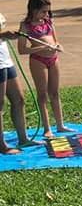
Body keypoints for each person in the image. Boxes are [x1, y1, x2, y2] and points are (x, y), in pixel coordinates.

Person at [17, 0, 74, 139]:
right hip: (38, 61)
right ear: (33, 9)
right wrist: (41, 48)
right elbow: (22, 50)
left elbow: (56, 40)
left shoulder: (48, 22)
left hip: (53, 59)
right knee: (42, 95)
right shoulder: (25, 25)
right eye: (43, 11)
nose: (46, 14)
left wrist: (58, 46)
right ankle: (47, 128)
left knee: (54, 93)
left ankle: (60, 125)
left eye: (48, 11)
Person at [0, 12, 40, 154]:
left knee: (19, 99)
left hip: (5, 60)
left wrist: (8, 34)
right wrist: (3, 35)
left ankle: (23, 138)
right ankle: (2, 145)